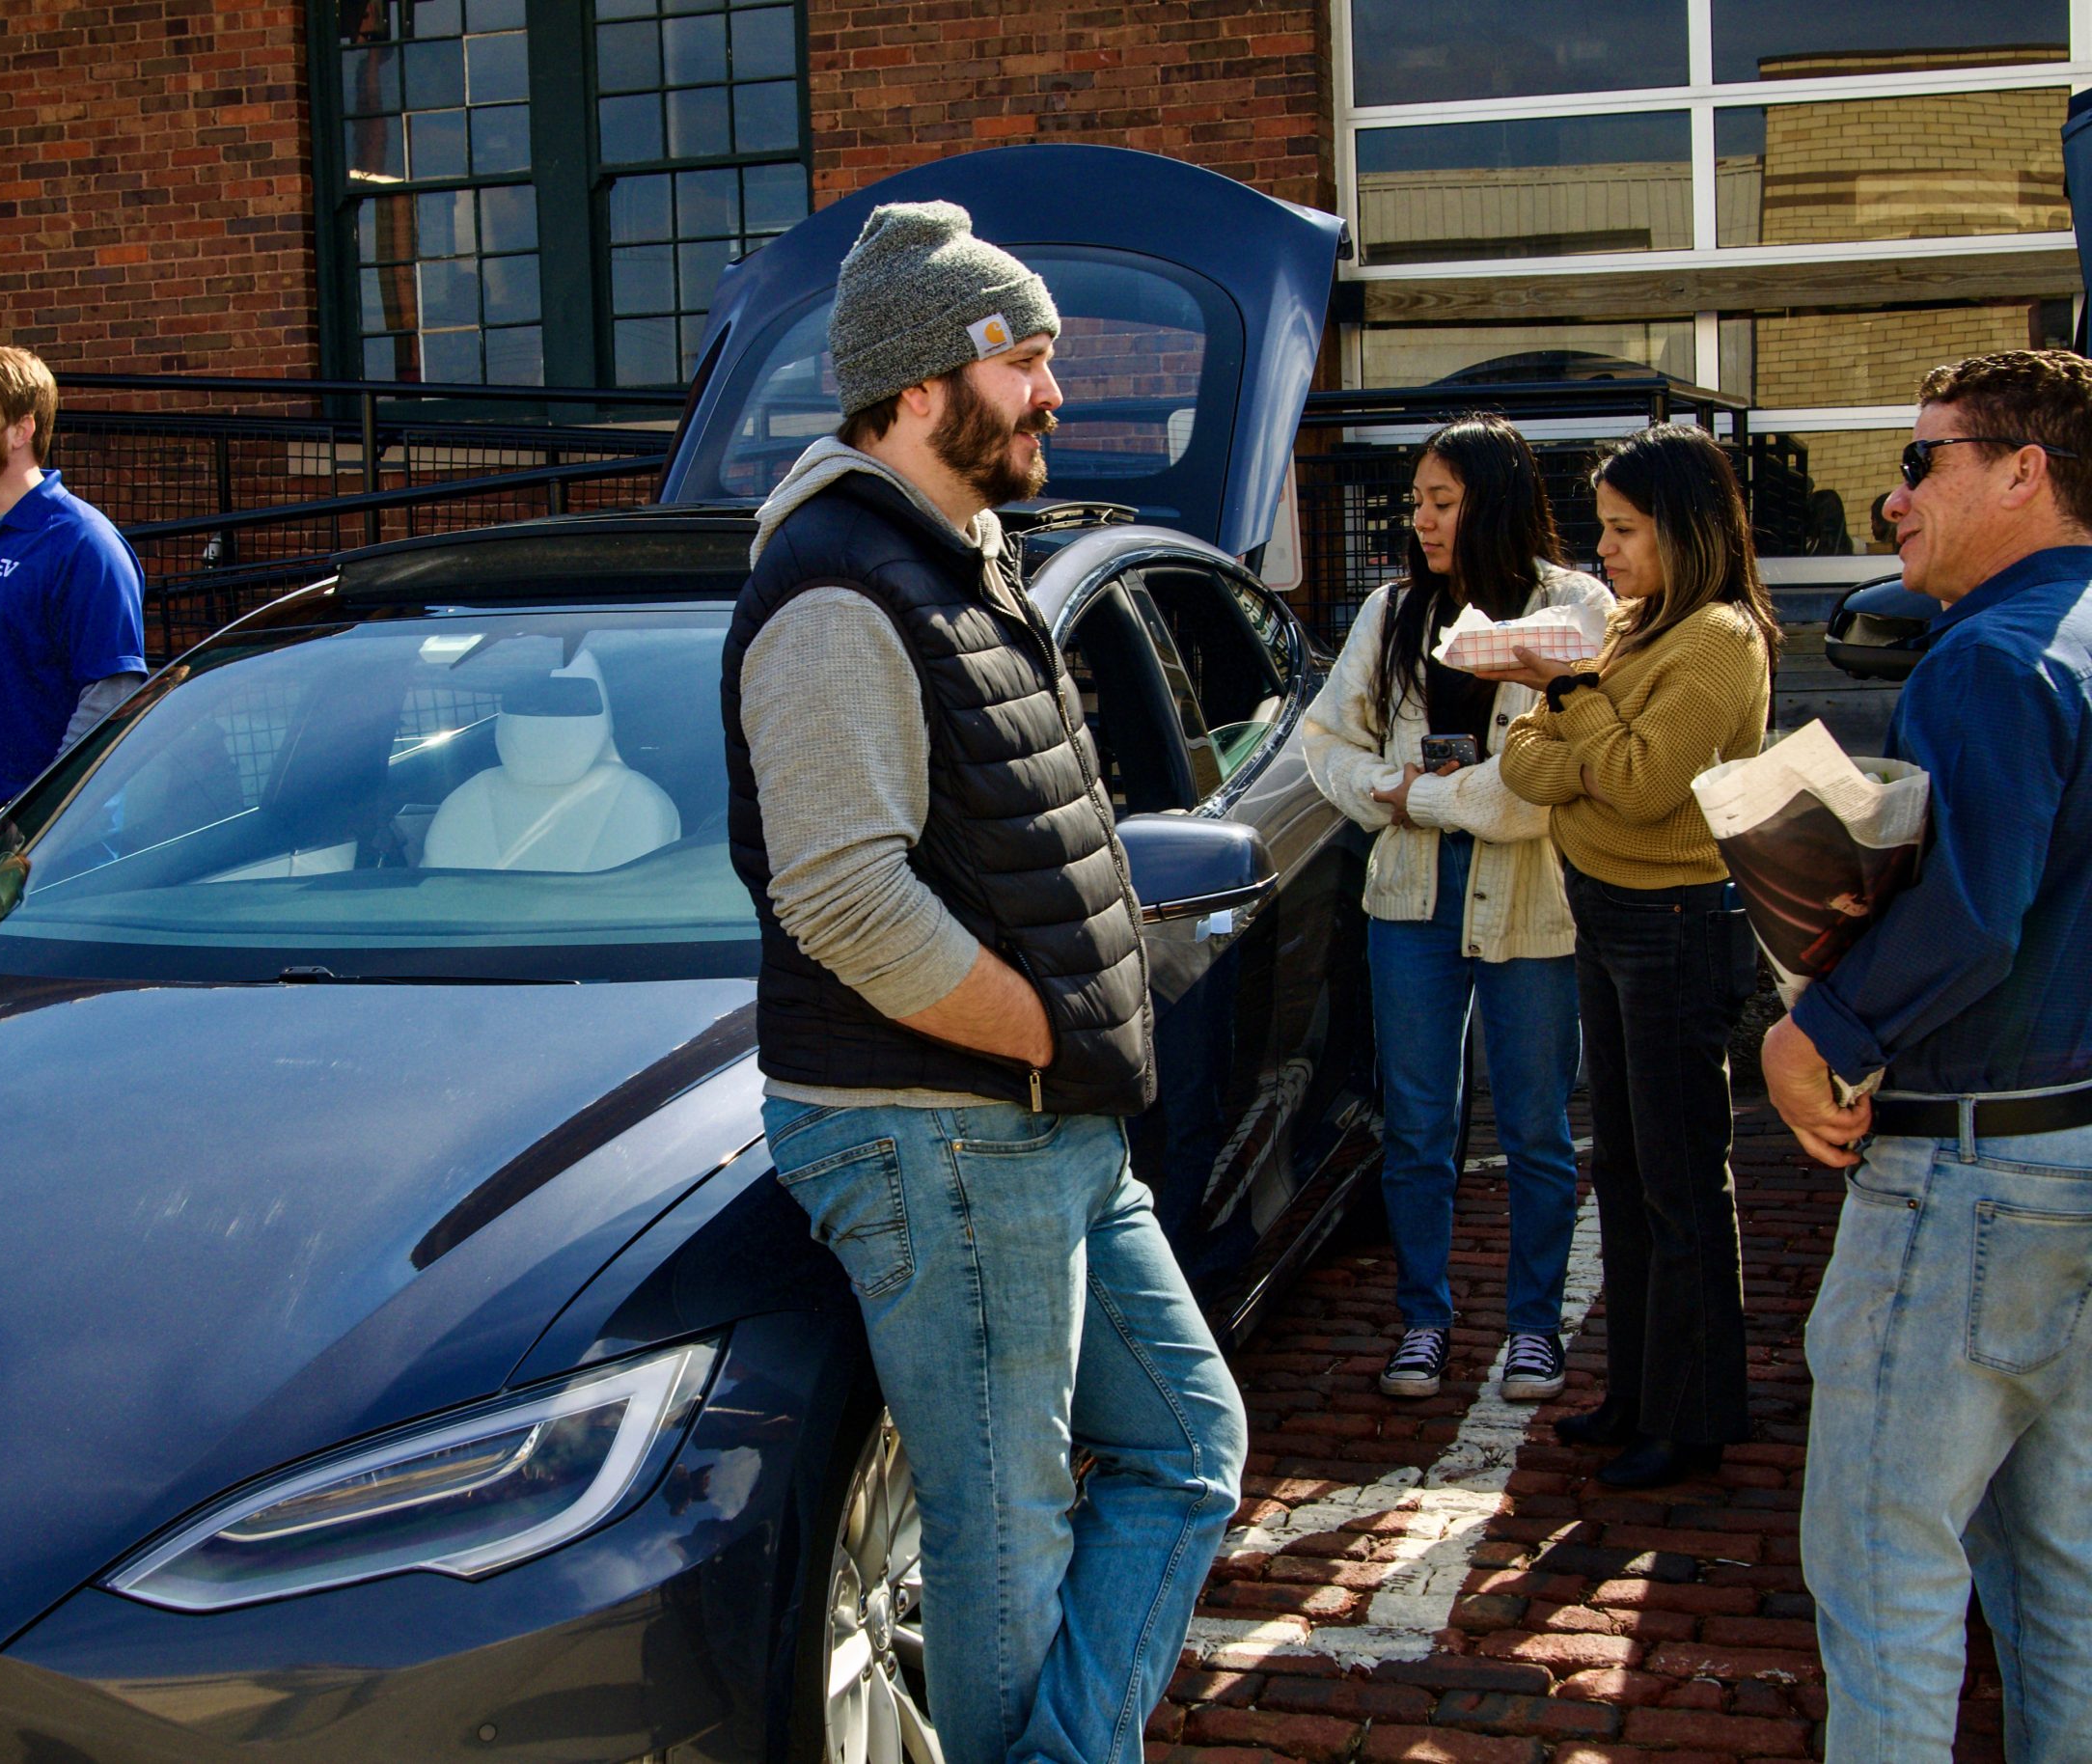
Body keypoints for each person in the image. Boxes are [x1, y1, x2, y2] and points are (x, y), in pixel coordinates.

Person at [722, 200, 1243, 1764]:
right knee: (1006, 1526)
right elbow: (843, 895)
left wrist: (1059, 1059)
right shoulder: (837, 589)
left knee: (1188, 1446)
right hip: (944, 1130)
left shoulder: (962, 557)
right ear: (920, 384)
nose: (1052, 393)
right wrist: (1036, 1035)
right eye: (1024, 361)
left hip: (1034, 1122)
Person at [1761, 349, 2092, 1763]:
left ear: (2023, 470)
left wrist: (1812, 1034)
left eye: (1920, 461)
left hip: (1972, 1173)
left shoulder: (1990, 655)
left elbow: (1970, 912)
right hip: (2067, 1151)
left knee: (1885, 1570)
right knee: (2061, 1574)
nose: (1892, 497)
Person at [1302, 415, 1610, 1404]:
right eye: (1417, 503)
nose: (1423, 522)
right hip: (1411, 897)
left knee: (1535, 1125)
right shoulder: (1392, 610)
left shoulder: (1575, 608)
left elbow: (1546, 789)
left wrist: (1416, 798)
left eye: (1443, 502)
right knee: (1418, 1122)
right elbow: (1325, 742)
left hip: (1532, 899)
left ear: (1496, 501)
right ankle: (1423, 1321)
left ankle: (1533, 1328)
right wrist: (1393, 790)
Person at [1494, 423, 1777, 1490]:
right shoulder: (1627, 626)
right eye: (1603, 528)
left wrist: (1574, 707)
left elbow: (1646, 783)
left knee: (1679, 1176)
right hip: (1605, 909)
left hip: (1673, 924)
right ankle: (1637, 1391)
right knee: (1620, 1163)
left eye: (1623, 530)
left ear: (1686, 530)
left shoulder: (1718, 638)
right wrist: (1584, 735)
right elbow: (1523, 757)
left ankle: (1692, 1415)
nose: (1603, 550)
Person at [0, 345, 147, 829]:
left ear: (21, 430)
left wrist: (37, 818)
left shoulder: (82, 543)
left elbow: (112, 697)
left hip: (42, 847)